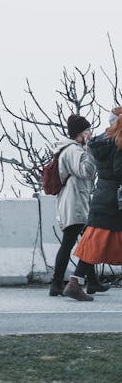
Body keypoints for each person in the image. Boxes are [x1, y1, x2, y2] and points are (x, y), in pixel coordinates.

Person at [49, 115, 109, 299]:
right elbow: (86, 171)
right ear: (78, 134)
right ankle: (57, 283)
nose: (90, 133)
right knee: (74, 242)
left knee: (88, 241)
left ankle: (91, 281)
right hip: (75, 203)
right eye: (87, 131)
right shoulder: (73, 151)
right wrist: (90, 151)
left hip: (76, 201)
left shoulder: (72, 149)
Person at [67, 112, 122, 300]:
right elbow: (119, 171)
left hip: (102, 196)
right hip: (114, 199)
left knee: (95, 243)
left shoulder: (100, 142)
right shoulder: (119, 143)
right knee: (96, 243)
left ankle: (76, 282)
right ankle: (74, 283)